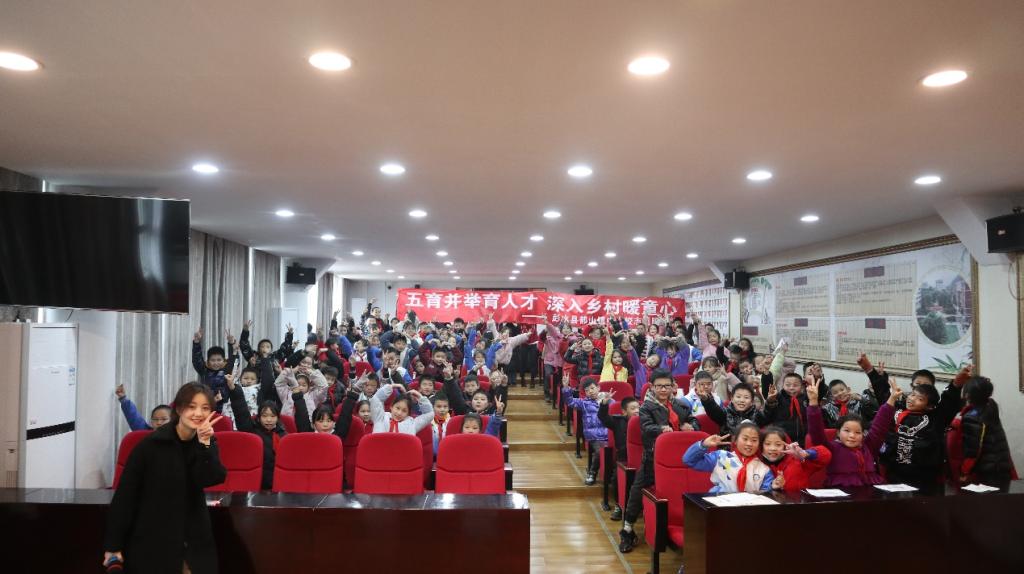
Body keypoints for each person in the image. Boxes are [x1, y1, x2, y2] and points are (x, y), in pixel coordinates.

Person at [104, 382, 227, 573]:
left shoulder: (206, 442)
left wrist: (205, 445)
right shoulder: (150, 445)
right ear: (178, 409)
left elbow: (212, 477)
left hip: (194, 538)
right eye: (191, 406)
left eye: (205, 408)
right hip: (154, 538)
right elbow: (126, 496)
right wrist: (113, 545)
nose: (198, 413)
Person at [619, 370, 698, 553]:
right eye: (659, 386)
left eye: (667, 386)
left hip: (680, 458)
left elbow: (694, 421)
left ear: (673, 386)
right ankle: (627, 530)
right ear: (652, 387)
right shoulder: (646, 407)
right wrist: (662, 429)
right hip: (653, 458)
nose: (663, 389)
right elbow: (647, 427)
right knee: (637, 491)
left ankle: (680, 527)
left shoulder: (680, 405)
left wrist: (692, 426)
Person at [807, 374, 899, 487]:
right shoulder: (831, 448)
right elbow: (816, 432)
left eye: (857, 432)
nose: (852, 435)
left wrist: (892, 398)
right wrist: (813, 401)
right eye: (847, 431)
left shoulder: (868, 446)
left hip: (871, 490)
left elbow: (880, 425)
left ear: (863, 434)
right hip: (841, 490)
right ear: (838, 432)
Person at [227, 373, 287, 490]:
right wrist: (234, 389)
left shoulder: (283, 435)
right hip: (255, 484)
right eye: (265, 416)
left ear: (278, 418)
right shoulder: (252, 431)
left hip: (278, 484)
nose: (269, 420)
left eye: (272, 416)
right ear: (258, 418)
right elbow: (241, 411)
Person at [954, 376, 1014, 489]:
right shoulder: (991, 407)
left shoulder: (971, 416)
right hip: (1002, 467)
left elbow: (973, 450)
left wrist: (964, 472)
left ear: (968, 395)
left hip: (987, 471)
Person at [683, 422, 774, 493]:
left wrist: (774, 486)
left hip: (749, 509)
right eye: (745, 439)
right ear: (735, 440)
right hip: (720, 506)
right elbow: (689, 460)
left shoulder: (764, 469)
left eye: (754, 440)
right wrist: (704, 445)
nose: (749, 444)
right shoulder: (720, 457)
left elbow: (766, 495)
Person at [598, 395, 639, 520]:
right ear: (624, 411)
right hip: (623, 460)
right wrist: (604, 404)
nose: (637, 411)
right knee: (617, 479)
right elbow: (603, 418)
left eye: (638, 407)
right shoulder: (617, 421)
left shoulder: (644, 421)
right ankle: (619, 506)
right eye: (633, 408)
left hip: (641, 459)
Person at [561, 377, 609, 485]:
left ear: (598, 388)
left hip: (609, 435)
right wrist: (566, 387)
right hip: (594, 436)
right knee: (600, 451)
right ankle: (592, 473)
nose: (590, 391)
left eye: (592, 388)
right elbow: (569, 401)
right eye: (587, 390)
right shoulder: (584, 403)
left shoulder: (608, 400)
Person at [760, 426, 831, 492]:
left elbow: (826, 455)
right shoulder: (757, 464)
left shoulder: (797, 461)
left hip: (799, 500)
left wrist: (805, 453)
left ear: (785, 446)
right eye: (767, 444)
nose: (773, 448)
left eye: (778, 444)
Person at [696, 380, 766, 438]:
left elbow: (767, 416)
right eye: (738, 397)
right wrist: (706, 400)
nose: (742, 400)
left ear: (751, 402)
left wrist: (770, 402)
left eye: (746, 397)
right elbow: (714, 410)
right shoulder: (725, 413)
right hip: (728, 448)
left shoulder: (757, 414)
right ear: (732, 399)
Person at [369, 383, 434, 435]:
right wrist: (392, 386)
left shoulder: (412, 424)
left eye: (404, 411)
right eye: (397, 408)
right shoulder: (380, 417)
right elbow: (376, 399)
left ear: (408, 413)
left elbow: (430, 414)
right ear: (391, 406)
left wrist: (420, 397)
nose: (399, 413)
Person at [191, 328, 230, 412]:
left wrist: (231, 344)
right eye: (213, 360)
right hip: (207, 405)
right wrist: (196, 343)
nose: (216, 363)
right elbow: (197, 359)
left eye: (219, 360)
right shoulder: (204, 370)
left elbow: (235, 361)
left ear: (224, 360)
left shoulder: (227, 370)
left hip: (225, 407)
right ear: (208, 361)